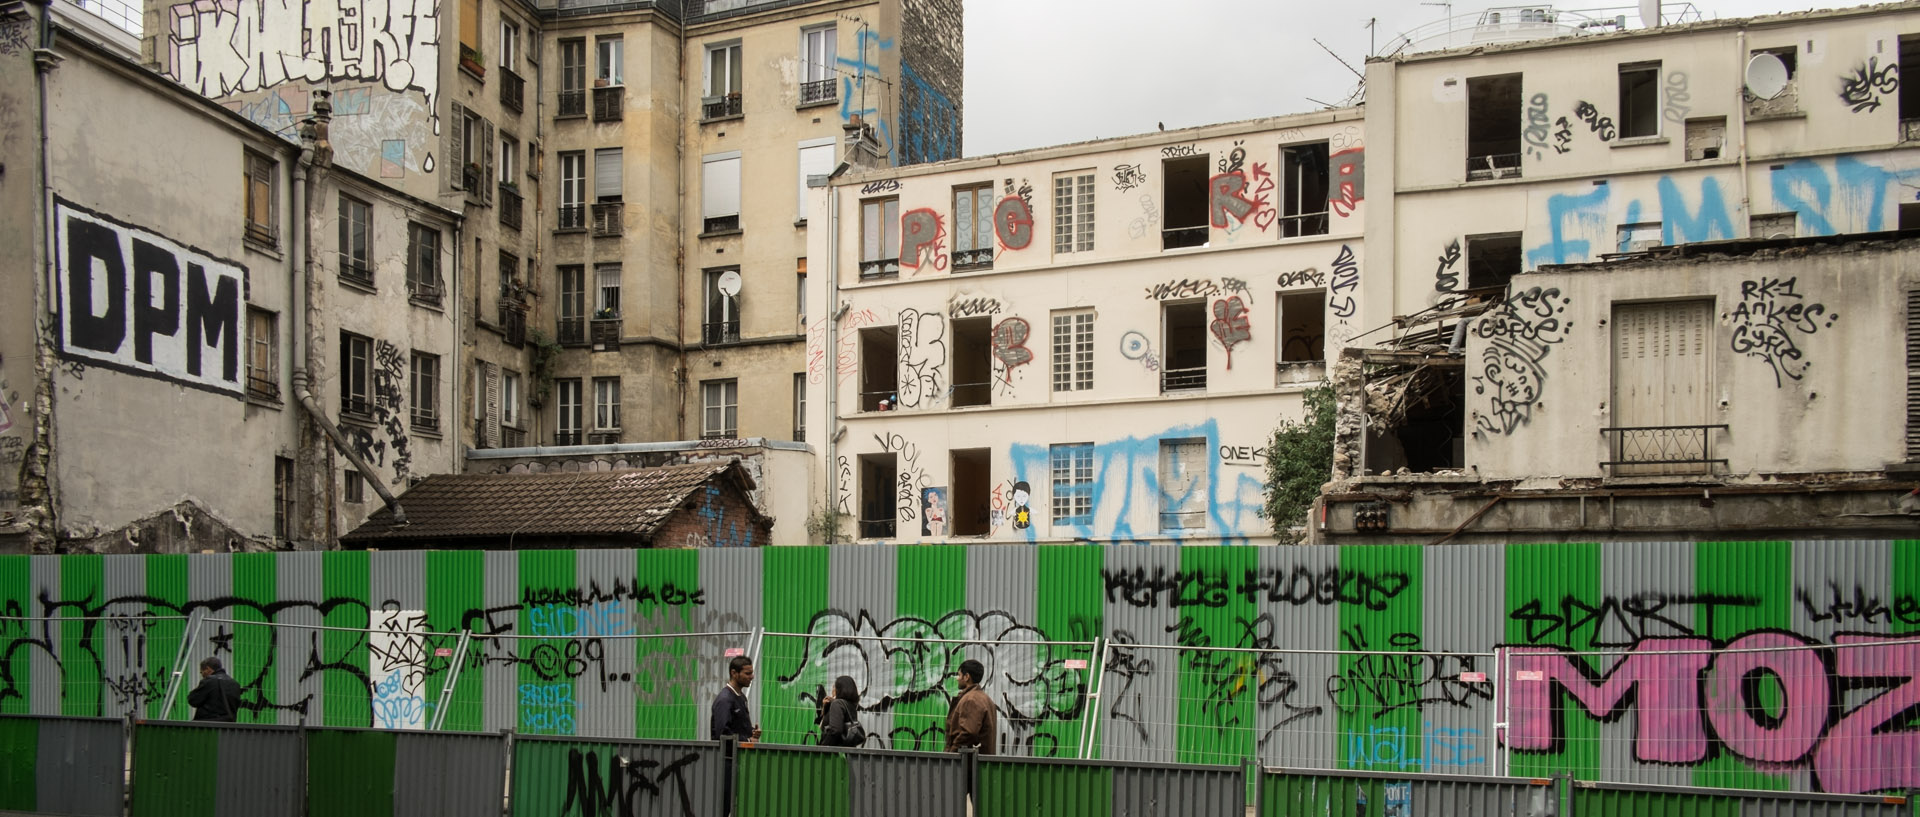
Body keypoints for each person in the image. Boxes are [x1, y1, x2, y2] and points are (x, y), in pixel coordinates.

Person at [944, 658, 997, 755]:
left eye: (959, 675)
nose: (957, 678)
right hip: (979, 762)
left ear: (966, 677)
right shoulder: (985, 699)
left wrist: (952, 753)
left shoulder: (971, 700)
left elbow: (968, 732)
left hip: (967, 764)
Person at [710, 656, 761, 743]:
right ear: (734, 673)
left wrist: (752, 732)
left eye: (752, 673)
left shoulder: (741, 697)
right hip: (727, 756)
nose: (752, 677)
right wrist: (748, 740)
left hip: (738, 754)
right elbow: (723, 734)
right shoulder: (725, 700)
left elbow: (737, 728)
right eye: (747, 673)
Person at [188, 657, 242, 722]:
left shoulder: (209, 681)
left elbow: (193, 700)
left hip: (207, 724)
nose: (202, 675)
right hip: (229, 725)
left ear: (208, 669)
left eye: (201, 672)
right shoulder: (235, 684)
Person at [818, 675, 864, 748]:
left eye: (834, 687)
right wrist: (826, 707)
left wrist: (823, 747)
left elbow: (835, 730)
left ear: (839, 689)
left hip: (834, 753)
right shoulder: (850, 705)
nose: (832, 690)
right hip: (847, 750)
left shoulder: (837, 704)